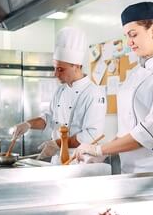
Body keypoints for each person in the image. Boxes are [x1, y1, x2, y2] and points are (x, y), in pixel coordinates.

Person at [75, 2, 153, 187]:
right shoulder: (135, 73)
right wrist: (103, 153)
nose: (129, 42)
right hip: (135, 174)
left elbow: (148, 133)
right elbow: (126, 130)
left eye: (133, 34)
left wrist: (99, 149)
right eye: (127, 36)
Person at [11, 27, 105, 162]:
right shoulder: (60, 90)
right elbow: (49, 118)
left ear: (76, 66)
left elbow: (91, 134)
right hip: (57, 160)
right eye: (55, 68)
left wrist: (58, 143)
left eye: (60, 69)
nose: (55, 74)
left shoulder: (94, 93)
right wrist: (28, 124)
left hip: (78, 161)